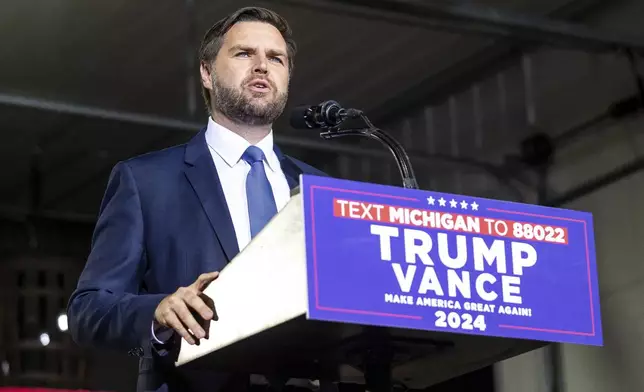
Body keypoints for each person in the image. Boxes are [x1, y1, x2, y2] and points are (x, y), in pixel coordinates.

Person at [67, 6, 326, 392]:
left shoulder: (319, 189)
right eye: (243, 54)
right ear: (207, 72)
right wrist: (155, 311)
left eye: (276, 59)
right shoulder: (146, 181)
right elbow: (88, 310)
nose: (262, 66)